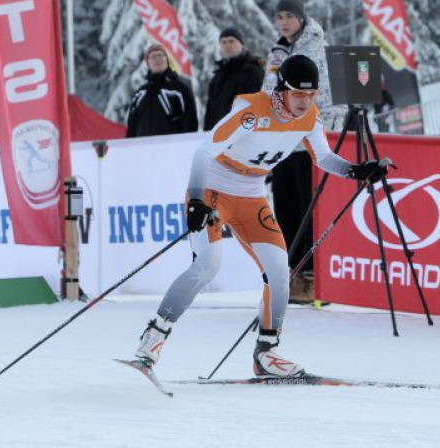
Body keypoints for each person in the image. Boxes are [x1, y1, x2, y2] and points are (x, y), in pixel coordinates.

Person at [128, 55, 388, 378]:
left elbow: (323, 157)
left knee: (280, 273)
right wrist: (196, 200)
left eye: (312, 95)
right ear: (282, 90)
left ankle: (266, 353)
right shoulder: (251, 112)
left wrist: (356, 171)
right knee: (207, 265)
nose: (305, 103)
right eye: (299, 95)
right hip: (213, 187)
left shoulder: (309, 118)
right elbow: (203, 151)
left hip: (251, 194)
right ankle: (153, 337)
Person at [263, 0, 347, 304]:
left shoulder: (318, 46)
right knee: (284, 210)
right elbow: (266, 94)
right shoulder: (276, 51)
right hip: (281, 144)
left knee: (308, 211)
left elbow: (334, 98)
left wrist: (326, 134)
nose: (284, 23)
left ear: (301, 19)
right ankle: (294, 272)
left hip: (309, 142)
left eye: (289, 17)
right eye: (280, 17)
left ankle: (313, 275)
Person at [125, 44, 198, 137]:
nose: (157, 59)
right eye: (153, 56)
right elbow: (131, 128)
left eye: (160, 55)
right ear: (148, 63)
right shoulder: (140, 94)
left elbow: (190, 123)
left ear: (166, 60)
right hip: (143, 148)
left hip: (172, 147)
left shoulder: (180, 89)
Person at [203, 27, 265, 131]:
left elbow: (259, 107)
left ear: (241, 44)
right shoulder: (217, 77)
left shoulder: (254, 71)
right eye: (224, 42)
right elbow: (210, 111)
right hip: (218, 135)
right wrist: (207, 133)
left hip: (243, 134)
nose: (227, 45)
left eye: (232, 41)